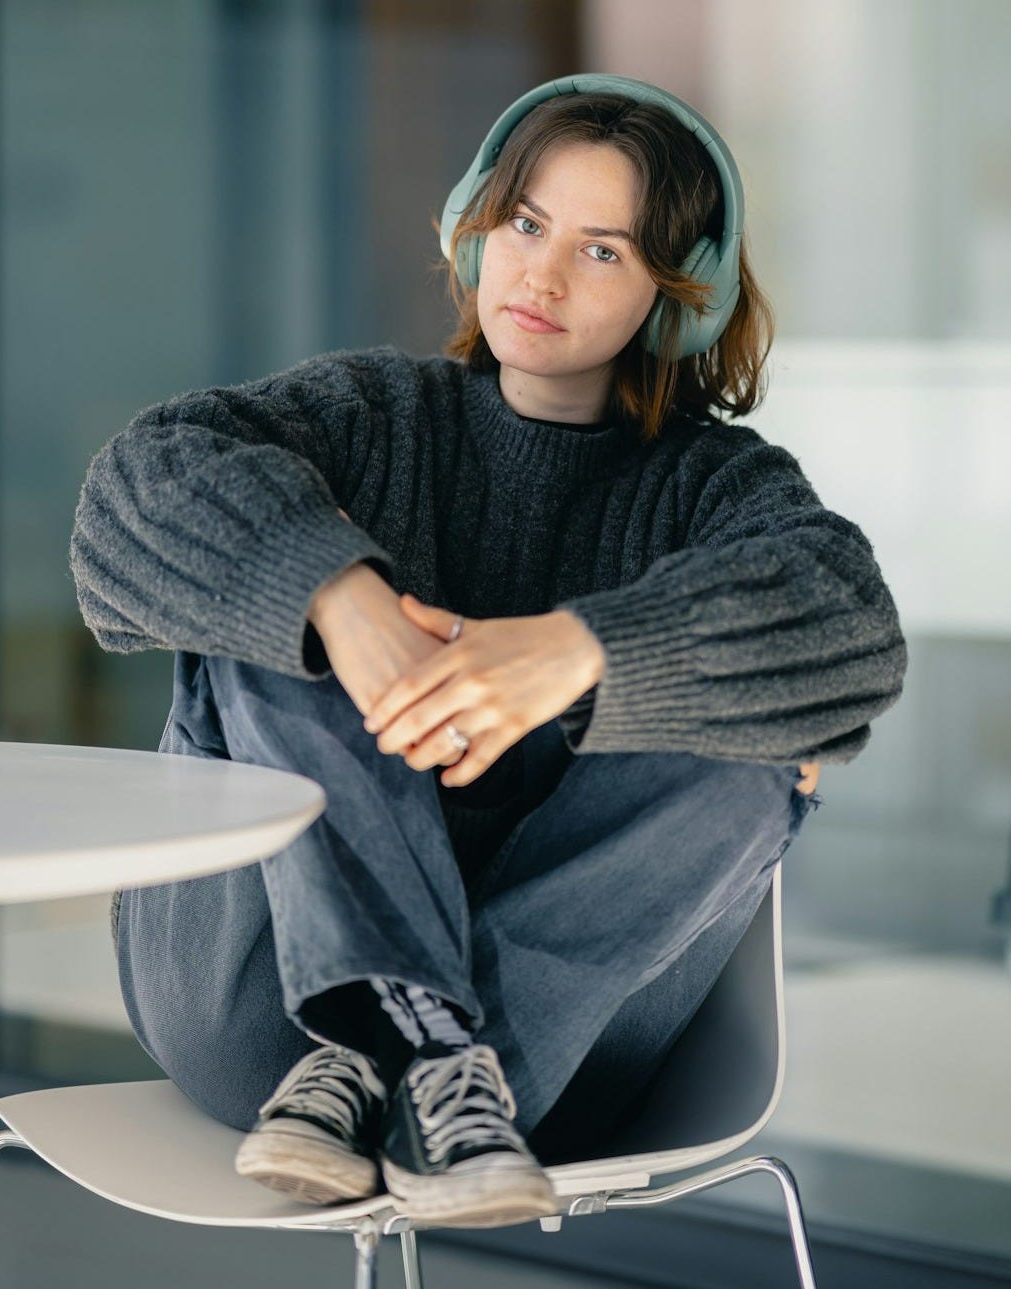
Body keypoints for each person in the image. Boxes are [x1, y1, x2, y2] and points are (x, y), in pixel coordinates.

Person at [68, 74, 907, 1230]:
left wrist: (579, 652)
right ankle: (379, 1024)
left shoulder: (719, 488)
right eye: (525, 225)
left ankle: (429, 1064)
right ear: (476, 226)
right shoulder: (371, 414)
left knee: (752, 739)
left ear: (680, 297)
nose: (544, 275)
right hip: (261, 1021)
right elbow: (139, 486)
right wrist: (345, 602)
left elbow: (847, 621)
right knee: (285, 595)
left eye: (604, 250)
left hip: (534, 1084)